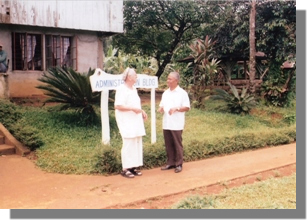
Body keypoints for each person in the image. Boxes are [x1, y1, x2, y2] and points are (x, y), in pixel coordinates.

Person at [114, 67, 148, 178]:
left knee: (136, 142)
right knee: (128, 143)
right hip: (126, 120)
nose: (136, 77)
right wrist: (132, 109)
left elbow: (136, 105)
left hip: (135, 120)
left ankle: (133, 167)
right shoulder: (121, 89)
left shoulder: (134, 89)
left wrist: (142, 111)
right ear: (129, 77)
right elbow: (118, 105)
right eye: (135, 75)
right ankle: (125, 169)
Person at [158, 71, 190, 173]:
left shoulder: (182, 93)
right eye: (167, 79)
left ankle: (179, 164)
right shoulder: (165, 93)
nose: (168, 81)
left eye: (170, 79)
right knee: (168, 144)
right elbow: (162, 105)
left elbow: (187, 107)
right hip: (167, 122)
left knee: (177, 143)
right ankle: (170, 162)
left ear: (176, 81)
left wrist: (177, 108)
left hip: (177, 123)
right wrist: (161, 108)